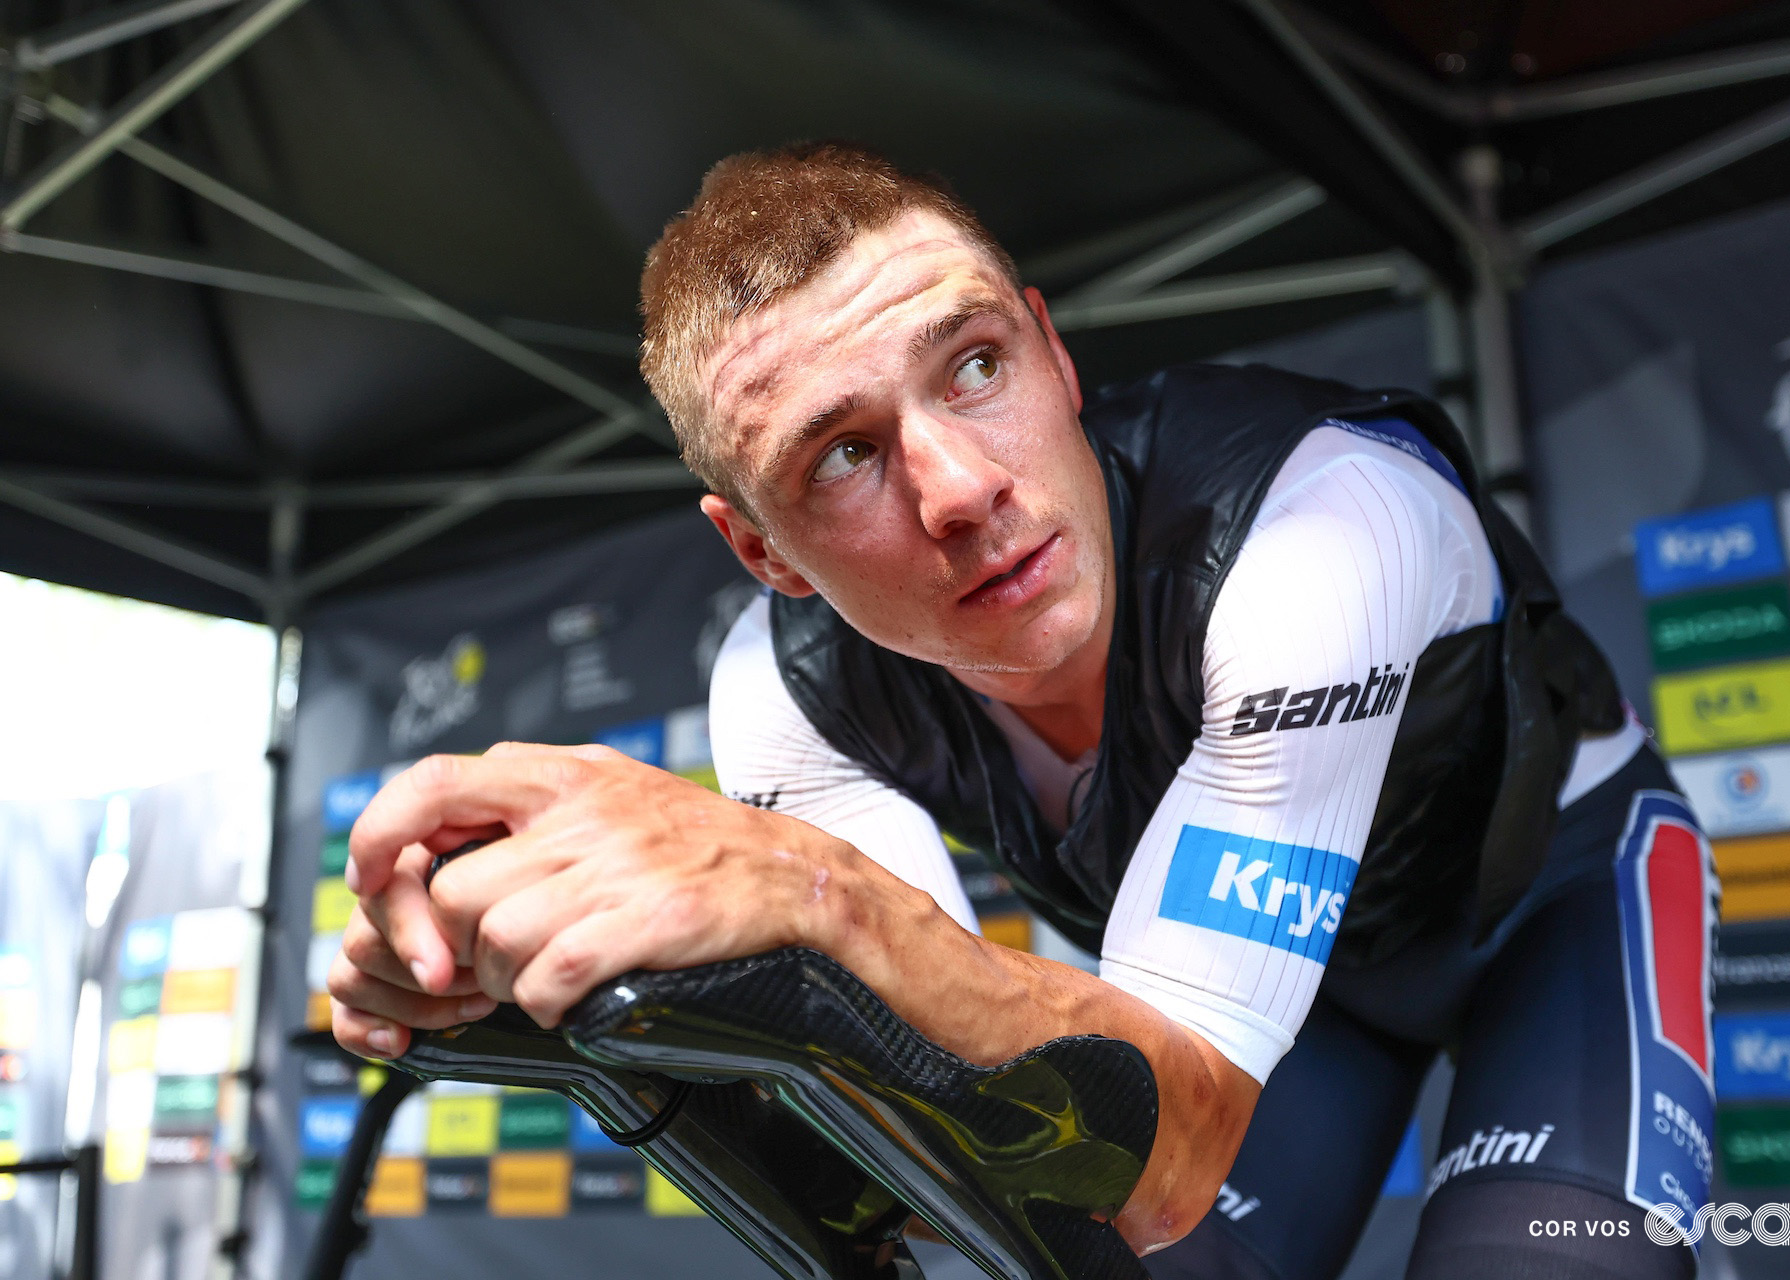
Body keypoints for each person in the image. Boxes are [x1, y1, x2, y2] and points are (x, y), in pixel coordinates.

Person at [328, 144, 1717, 1278]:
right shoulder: (785, 684)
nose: (958, 490)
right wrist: (554, 1003)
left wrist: (813, 899)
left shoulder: (1320, 530)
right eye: (844, 455)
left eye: (974, 367)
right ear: (763, 555)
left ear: (1052, 354)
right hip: (1284, 1003)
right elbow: (935, 1152)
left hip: (1552, 911)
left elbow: (1176, 1143)